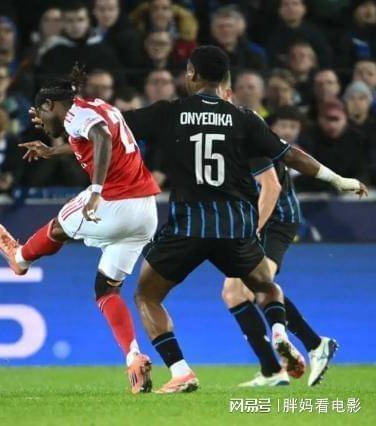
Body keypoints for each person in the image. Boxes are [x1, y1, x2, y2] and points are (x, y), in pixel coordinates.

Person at [122, 45, 367, 393]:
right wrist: (338, 179)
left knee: (147, 295)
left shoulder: (170, 112)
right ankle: (283, 336)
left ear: (191, 74)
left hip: (188, 227)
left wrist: (65, 132)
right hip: (235, 230)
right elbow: (291, 156)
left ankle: (180, 370)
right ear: (226, 79)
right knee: (266, 287)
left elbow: (112, 125)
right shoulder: (244, 119)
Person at [0, 66, 161, 394]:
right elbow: (96, 139)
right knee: (106, 291)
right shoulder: (99, 107)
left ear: (51, 105)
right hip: (145, 212)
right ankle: (134, 357)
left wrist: (95, 191)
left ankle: (20, 258)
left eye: (41, 113)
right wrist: (53, 150)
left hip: (113, 202)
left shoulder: (75, 115)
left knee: (59, 225)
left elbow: (101, 137)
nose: (41, 122)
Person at [221, 80, 336, 388]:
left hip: (277, 219)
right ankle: (283, 363)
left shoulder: (245, 133)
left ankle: (297, 347)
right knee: (233, 293)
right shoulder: (219, 132)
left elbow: (270, 187)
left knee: (255, 285)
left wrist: (252, 230)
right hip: (255, 218)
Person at [209, 6, 267, 73]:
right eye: (221, 26)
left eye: (229, 26)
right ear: (213, 30)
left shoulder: (255, 54)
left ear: (239, 28)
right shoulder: (206, 56)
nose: (225, 30)